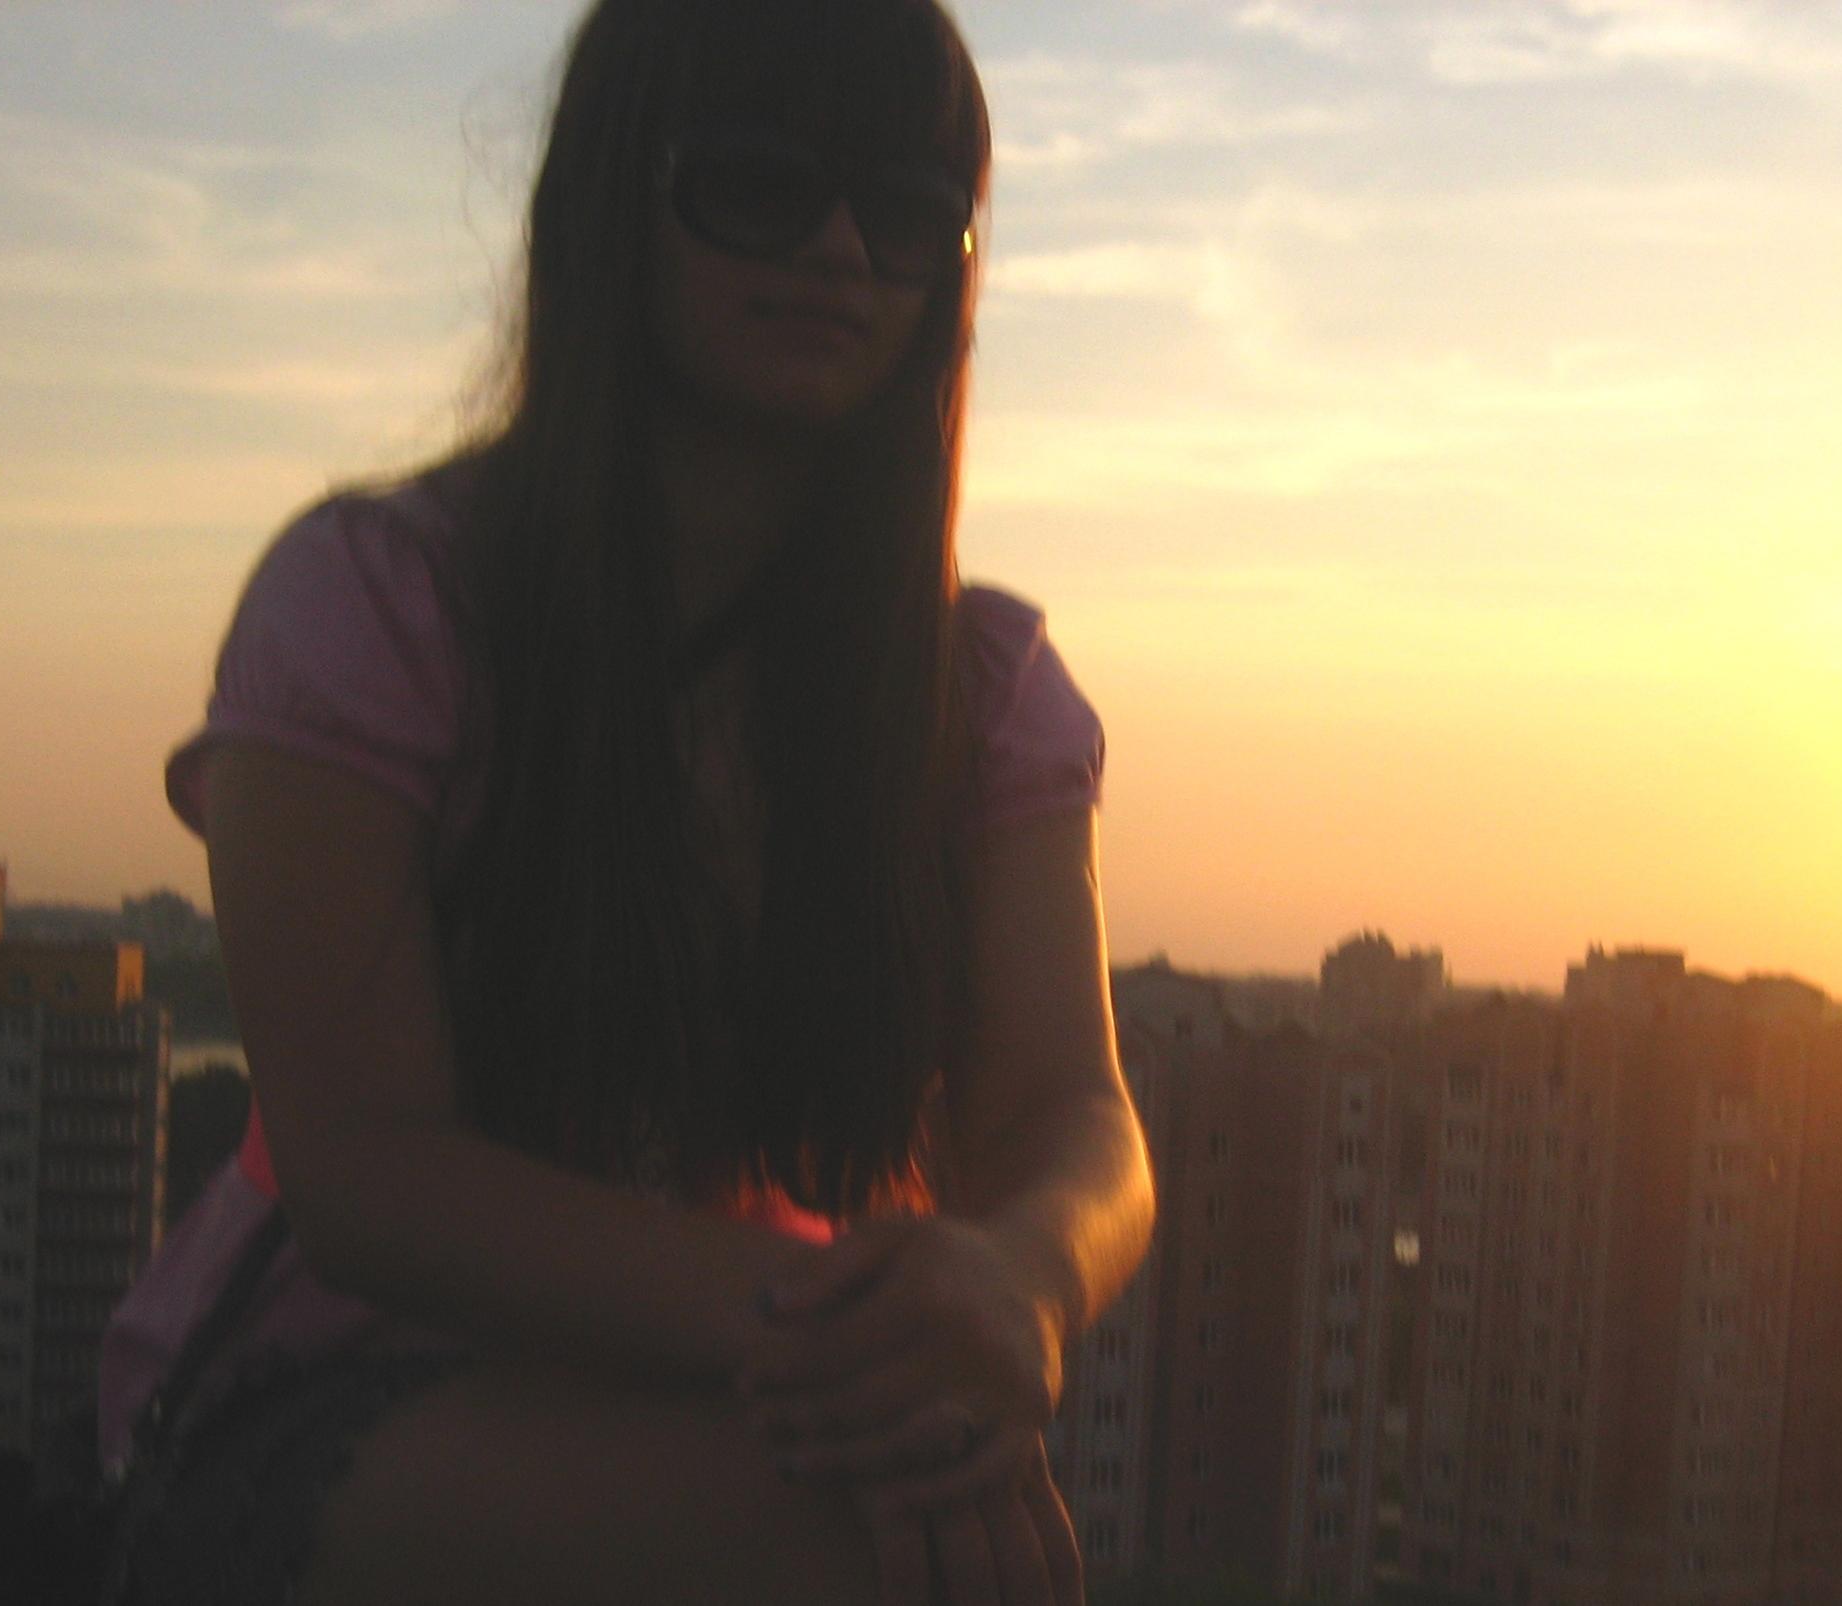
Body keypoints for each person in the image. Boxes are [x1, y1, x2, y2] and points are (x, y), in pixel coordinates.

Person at [93, 1, 1154, 1602]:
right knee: (888, 1541)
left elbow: (1072, 1111)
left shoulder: (976, 694)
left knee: (952, 1534)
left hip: (735, 1386)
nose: (841, 249)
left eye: (907, 208)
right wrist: (863, 1338)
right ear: (612, 203)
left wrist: (1026, 1279)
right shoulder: (379, 609)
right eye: (760, 181)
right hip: (331, 1381)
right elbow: (368, 1173)